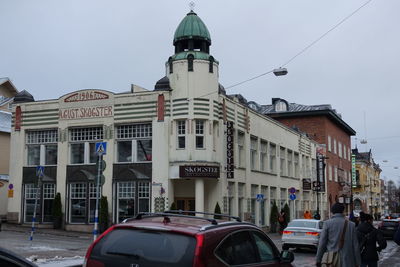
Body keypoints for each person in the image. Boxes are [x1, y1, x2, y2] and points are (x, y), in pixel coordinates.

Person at [316, 202, 361, 267]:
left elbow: (322, 244)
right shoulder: (351, 225)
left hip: (332, 261)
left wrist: (318, 260)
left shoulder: (327, 224)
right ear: (343, 211)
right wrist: (358, 262)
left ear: (332, 212)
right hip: (348, 261)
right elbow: (355, 246)